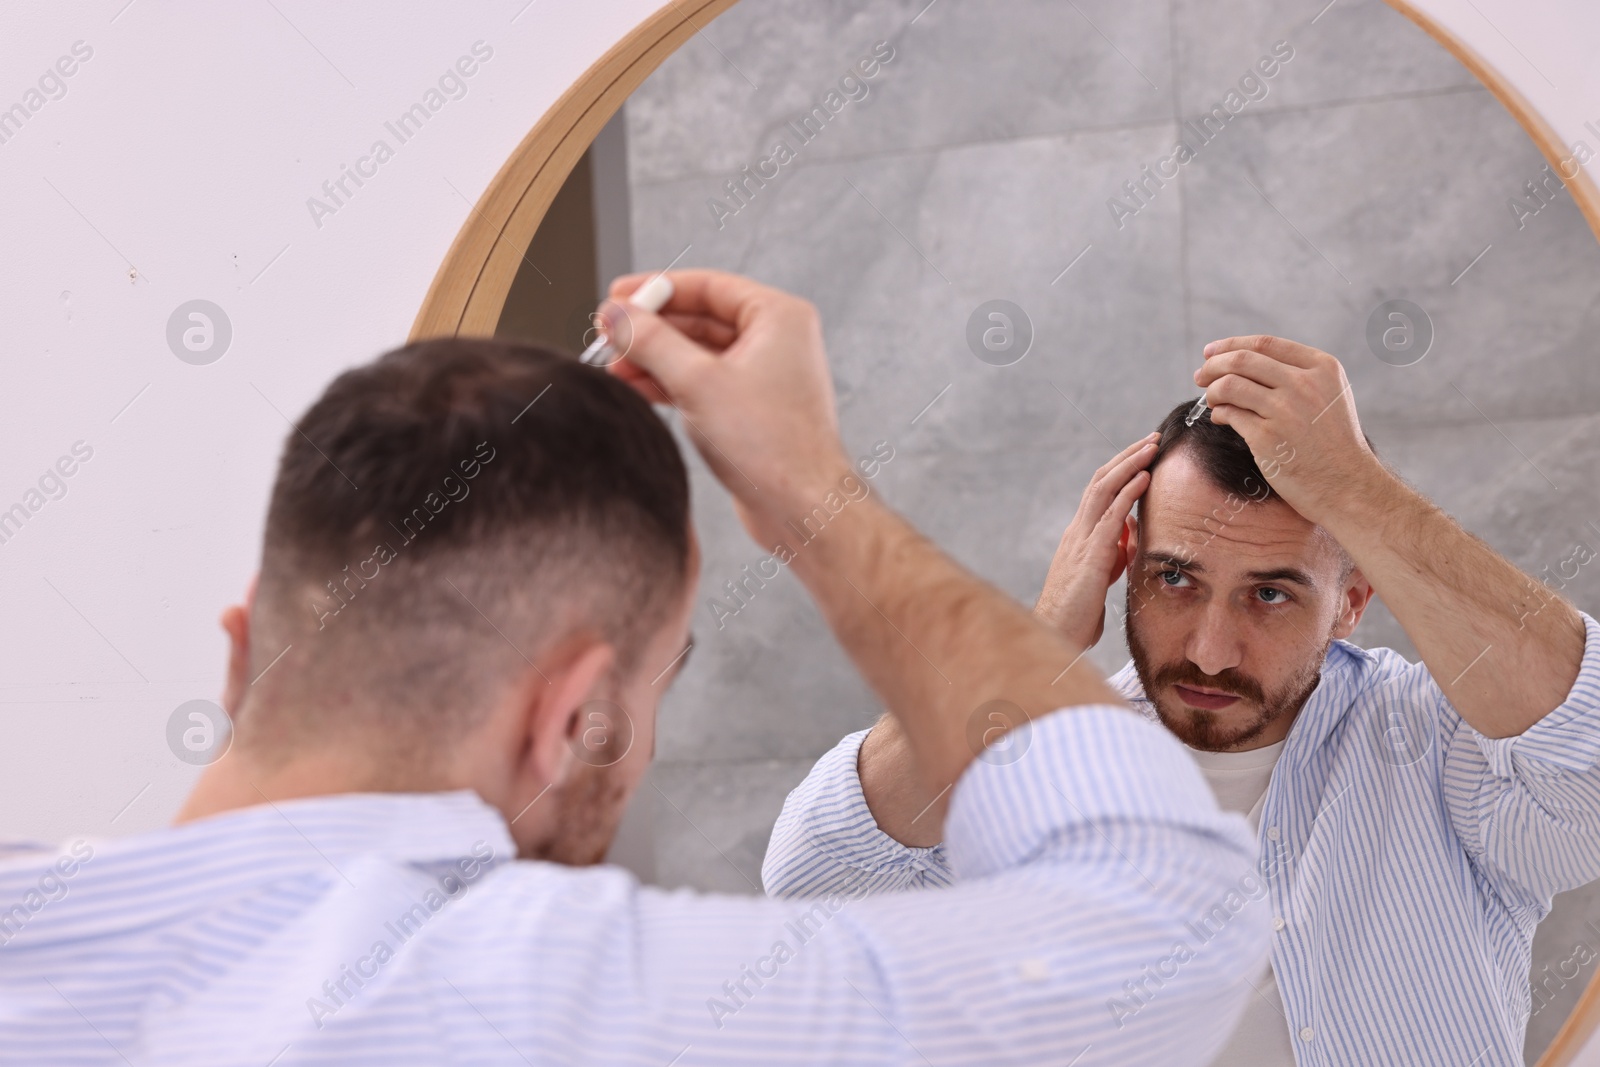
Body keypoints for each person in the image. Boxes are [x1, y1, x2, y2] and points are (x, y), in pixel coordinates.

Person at [0, 272, 1268, 1066]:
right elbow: (1169, 919)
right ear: (572, 717)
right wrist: (804, 486)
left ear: (237, 658)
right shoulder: (546, 997)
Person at [765, 334, 1600, 1067]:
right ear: (1122, 560)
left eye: (1269, 595)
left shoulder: (1444, 745)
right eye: (1174, 577)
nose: (1208, 649)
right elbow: (818, 880)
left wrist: (1360, 492)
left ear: (1350, 601)